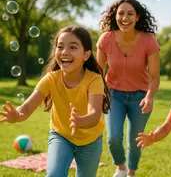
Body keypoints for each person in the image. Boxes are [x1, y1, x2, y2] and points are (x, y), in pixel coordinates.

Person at [0, 26, 111, 177]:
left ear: (86, 55)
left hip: (90, 140)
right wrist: (16, 116)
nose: (65, 51)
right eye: (60, 46)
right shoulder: (51, 79)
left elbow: (94, 114)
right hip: (61, 136)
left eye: (73, 47)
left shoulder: (94, 80)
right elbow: (26, 108)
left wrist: (80, 121)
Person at [96, 0, 160, 177]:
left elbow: (155, 76)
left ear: (137, 17)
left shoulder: (149, 41)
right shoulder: (106, 39)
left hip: (140, 97)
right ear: (114, 16)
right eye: (121, 14)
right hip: (113, 94)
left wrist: (149, 97)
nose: (125, 18)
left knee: (134, 141)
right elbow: (98, 72)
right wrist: (96, 94)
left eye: (130, 14)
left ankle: (131, 172)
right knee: (113, 138)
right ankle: (121, 167)